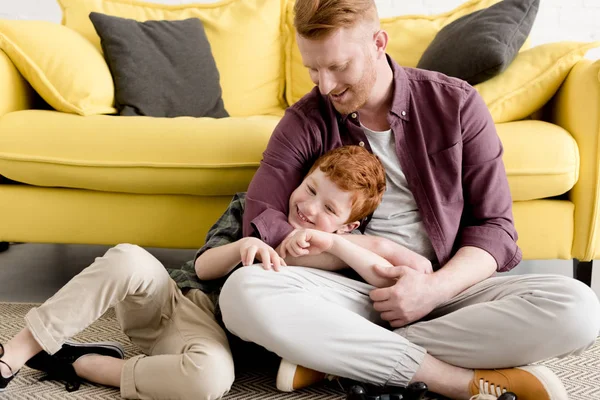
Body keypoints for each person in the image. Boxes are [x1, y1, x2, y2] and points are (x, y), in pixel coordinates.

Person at [217, 1, 600, 400]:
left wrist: (431, 290)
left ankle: (332, 357)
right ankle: (453, 381)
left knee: (578, 307)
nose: (325, 85)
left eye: (338, 67)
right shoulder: (305, 119)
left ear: (378, 43)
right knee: (243, 291)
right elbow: (264, 227)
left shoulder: (456, 104)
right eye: (313, 69)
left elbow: (496, 229)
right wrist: (363, 251)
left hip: (449, 290)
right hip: (345, 293)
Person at [0, 145, 411, 399]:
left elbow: (389, 273)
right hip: (176, 302)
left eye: (329, 209)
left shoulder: (340, 252)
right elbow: (201, 265)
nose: (309, 207)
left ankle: (82, 364)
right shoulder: (255, 210)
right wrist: (245, 245)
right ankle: (14, 354)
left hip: (208, 344)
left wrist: (336, 245)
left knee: (210, 380)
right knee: (128, 256)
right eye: (310, 189)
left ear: (348, 226)